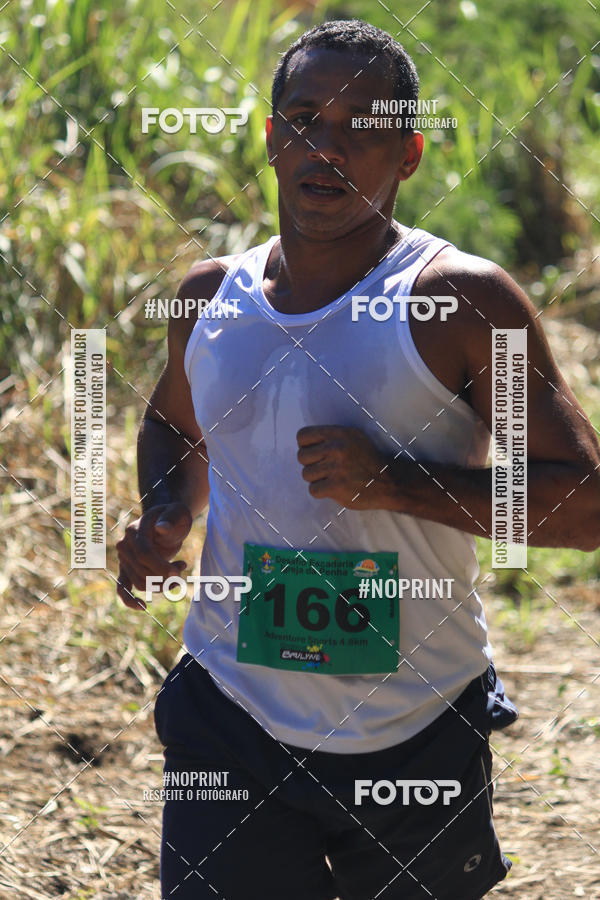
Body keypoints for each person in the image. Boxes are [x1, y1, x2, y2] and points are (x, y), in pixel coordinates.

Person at [116, 19, 600, 900]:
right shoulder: (208, 298)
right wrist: (164, 513)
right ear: (270, 140)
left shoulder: (459, 304)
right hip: (232, 717)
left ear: (409, 154)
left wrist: (397, 483)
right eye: (303, 118)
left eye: (362, 126)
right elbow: (173, 426)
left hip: (414, 733)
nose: (326, 147)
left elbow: (585, 504)